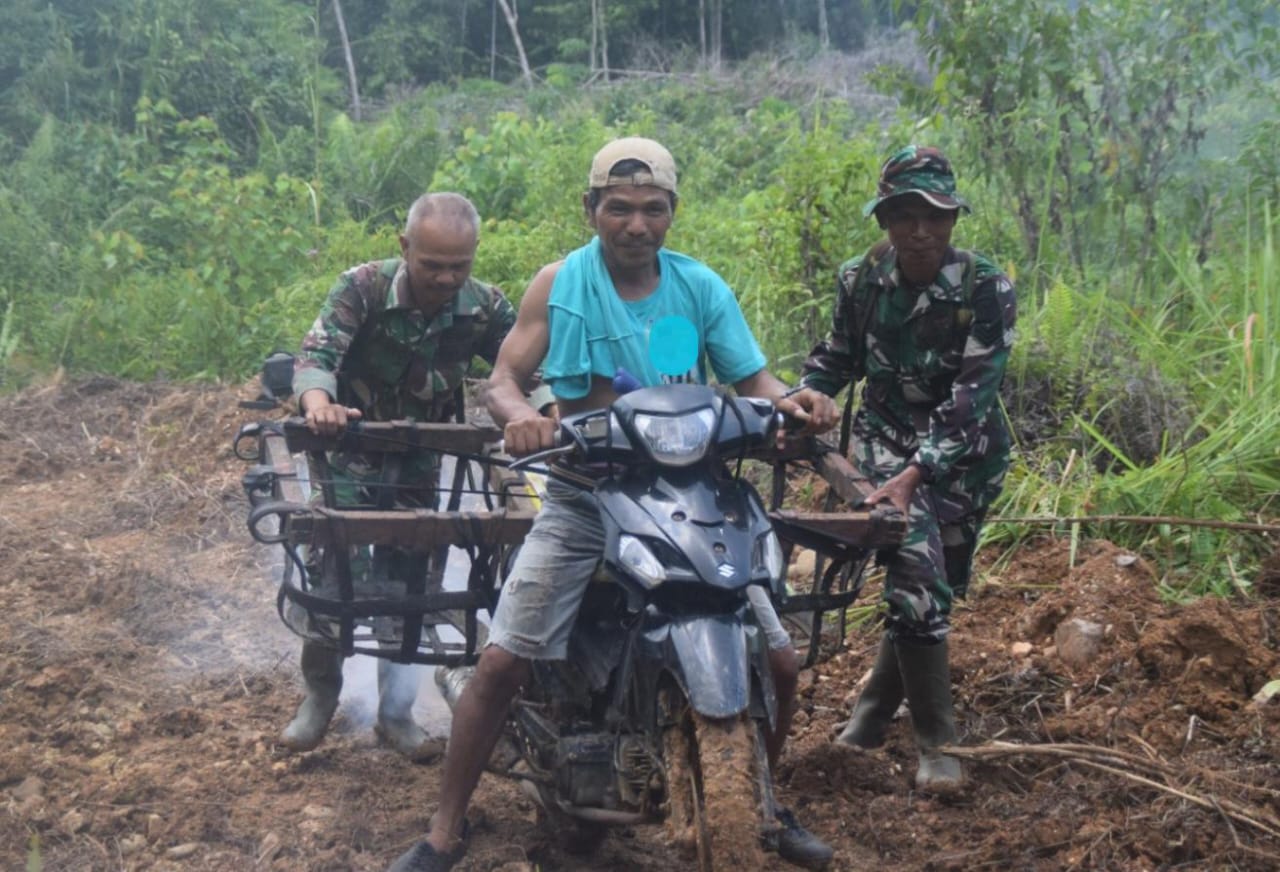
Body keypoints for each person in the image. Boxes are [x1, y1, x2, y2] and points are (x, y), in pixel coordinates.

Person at [387, 138, 840, 872]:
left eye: (653, 209)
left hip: (692, 488)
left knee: (781, 661)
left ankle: (762, 803)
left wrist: (795, 403)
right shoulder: (559, 282)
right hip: (583, 489)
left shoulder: (698, 287)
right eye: (619, 208)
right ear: (591, 209)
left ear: (673, 212)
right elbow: (503, 378)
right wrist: (520, 417)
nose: (636, 224)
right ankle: (446, 828)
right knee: (504, 660)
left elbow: (756, 381)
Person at [799, 145, 1017, 793]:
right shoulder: (859, 280)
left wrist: (922, 471)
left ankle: (869, 715)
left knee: (930, 587)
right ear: (884, 220)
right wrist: (808, 395)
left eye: (935, 215)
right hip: (884, 445)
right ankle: (938, 744)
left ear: (953, 219)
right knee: (915, 577)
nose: (920, 231)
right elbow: (836, 357)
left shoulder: (985, 287)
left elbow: (974, 395)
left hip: (966, 455)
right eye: (904, 215)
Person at [284, 192, 518, 762]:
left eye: (458, 266)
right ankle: (319, 697)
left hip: (421, 465)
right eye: (431, 264)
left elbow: (524, 365)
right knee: (333, 578)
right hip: (346, 457)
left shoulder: (485, 307)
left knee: (413, 586)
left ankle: (395, 714)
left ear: (474, 257)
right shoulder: (362, 287)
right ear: (404, 247)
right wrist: (320, 405)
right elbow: (317, 356)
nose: (445, 278)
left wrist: (540, 410)